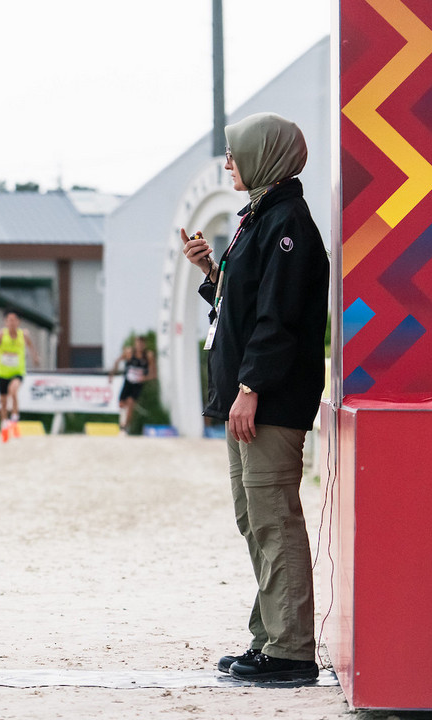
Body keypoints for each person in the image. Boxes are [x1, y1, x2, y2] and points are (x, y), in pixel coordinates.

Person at [180, 112, 328, 684]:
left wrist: (250, 389)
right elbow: (243, 309)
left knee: (274, 519)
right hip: (249, 400)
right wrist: (211, 272)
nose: (227, 163)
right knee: (253, 517)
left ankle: (291, 652)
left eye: (234, 153)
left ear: (265, 155)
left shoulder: (287, 223)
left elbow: (278, 320)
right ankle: (270, 636)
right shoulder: (260, 217)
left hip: (266, 402)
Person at [0, 310, 40, 442]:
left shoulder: (24, 335)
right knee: (3, 403)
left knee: (13, 391)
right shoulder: (0, 334)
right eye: (9, 320)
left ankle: (14, 420)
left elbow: (31, 347)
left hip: (18, 372)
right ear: (5, 321)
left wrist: (35, 358)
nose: (12, 322)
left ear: (18, 321)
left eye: (14, 319)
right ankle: (4, 426)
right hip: (3, 373)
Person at [108, 335, 156, 433]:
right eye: (138, 343)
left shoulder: (148, 356)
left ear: (145, 345)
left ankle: (125, 426)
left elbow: (154, 374)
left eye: (142, 344)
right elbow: (117, 361)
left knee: (130, 403)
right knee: (121, 404)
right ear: (135, 343)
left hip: (138, 384)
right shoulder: (129, 353)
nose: (140, 346)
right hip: (128, 382)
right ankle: (124, 421)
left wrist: (145, 378)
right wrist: (112, 374)